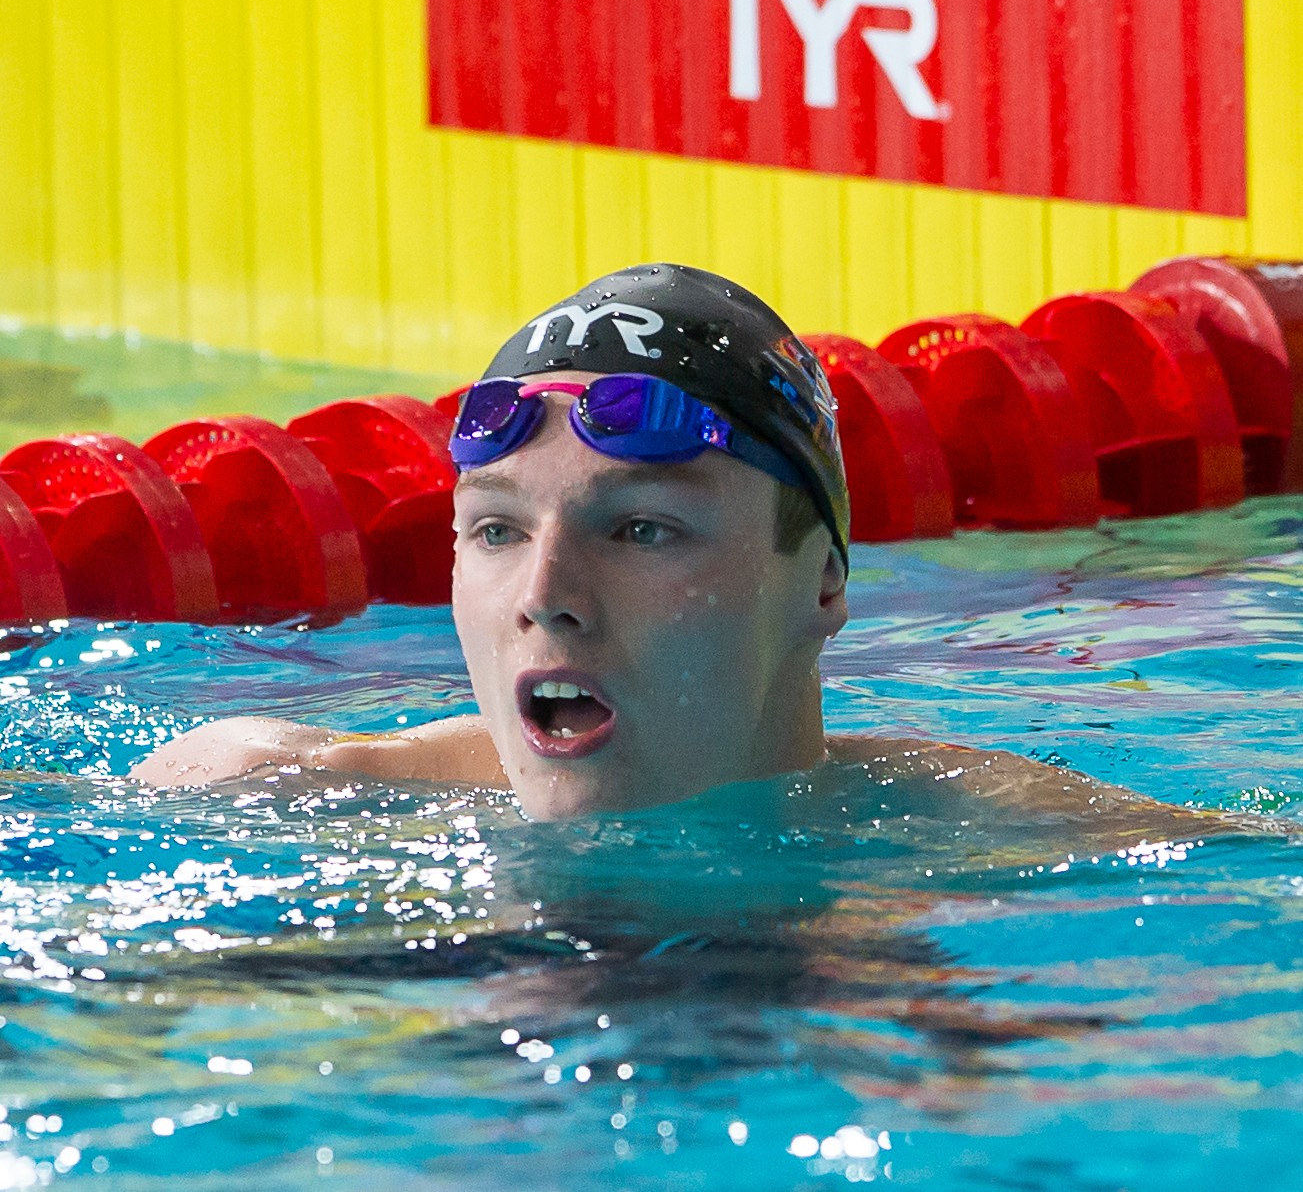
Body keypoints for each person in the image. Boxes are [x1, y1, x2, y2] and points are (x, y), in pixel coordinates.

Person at [132, 264, 1250, 841]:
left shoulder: (996, 841)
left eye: (640, 529)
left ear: (821, 580)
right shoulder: (281, 796)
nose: (545, 597)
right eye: (497, 529)